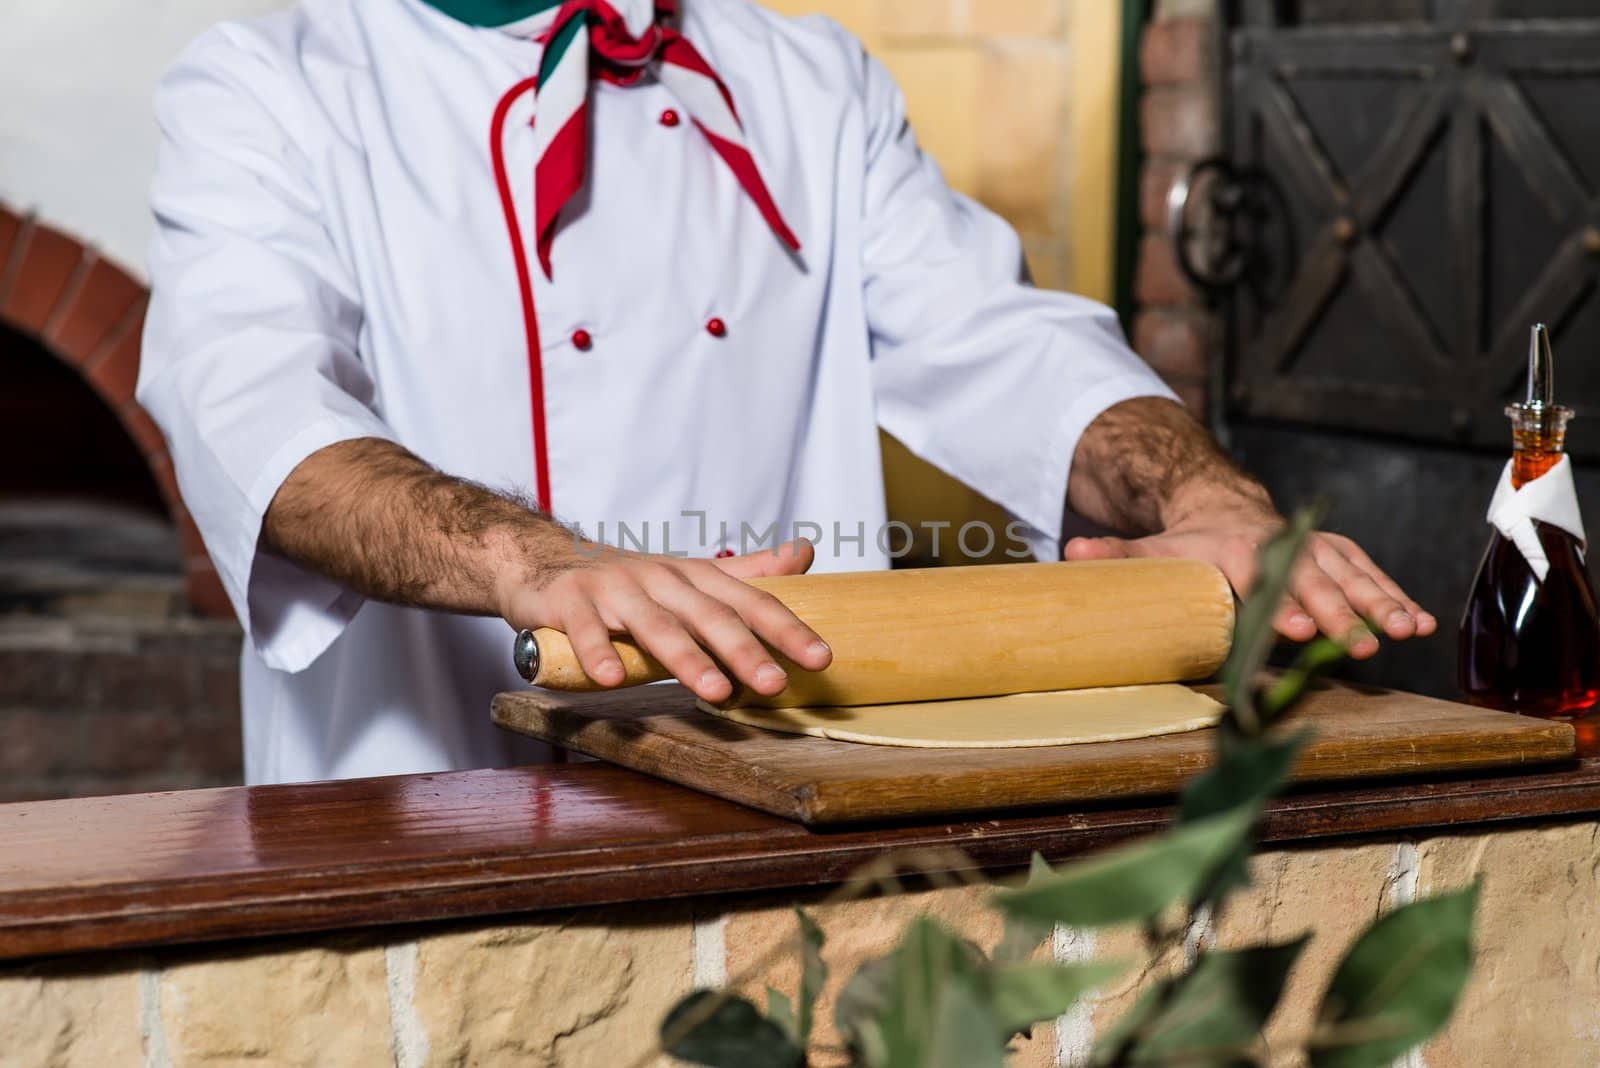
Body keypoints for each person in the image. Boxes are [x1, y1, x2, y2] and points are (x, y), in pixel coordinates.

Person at [139, 0, 1435, 786]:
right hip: (431, 816)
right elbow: (257, 416)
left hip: (774, 809)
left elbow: (1000, 336)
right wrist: (539, 564)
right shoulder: (272, 84)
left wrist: (1201, 497)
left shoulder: (808, 81)